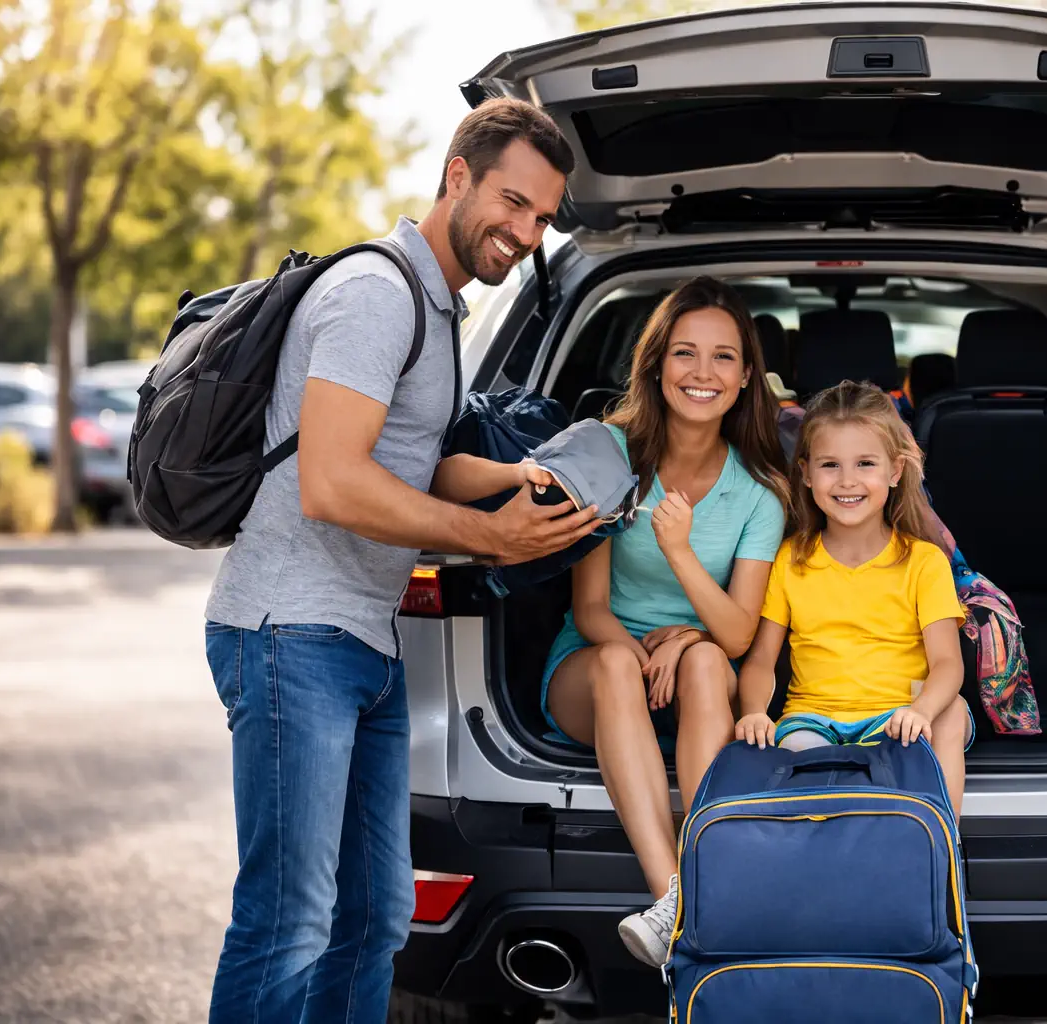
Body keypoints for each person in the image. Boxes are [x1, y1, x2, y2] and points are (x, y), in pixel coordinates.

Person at [200, 98, 599, 1024]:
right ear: (455, 175)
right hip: (290, 633)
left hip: (362, 643)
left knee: (372, 917)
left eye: (542, 218)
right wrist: (493, 537)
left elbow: (406, 457)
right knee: (288, 921)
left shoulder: (436, 304)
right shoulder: (376, 295)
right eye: (513, 202)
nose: (526, 232)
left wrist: (520, 475)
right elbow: (332, 484)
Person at [541, 277, 790, 967]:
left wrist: (681, 563)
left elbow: (739, 634)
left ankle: (689, 889)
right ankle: (677, 897)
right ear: (655, 365)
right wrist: (645, 652)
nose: (702, 373)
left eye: (722, 358)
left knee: (710, 659)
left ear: (746, 379)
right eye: (684, 353)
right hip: (598, 666)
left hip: (699, 673)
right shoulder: (609, 455)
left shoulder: (759, 492)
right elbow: (590, 607)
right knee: (622, 663)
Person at [734, 381, 974, 818]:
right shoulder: (791, 559)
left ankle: (939, 843)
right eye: (830, 465)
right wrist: (753, 712)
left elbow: (946, 664)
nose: (847, 481)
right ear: (806, 473)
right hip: (813, 718)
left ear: (895, 471)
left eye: (865, 463)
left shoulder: (924, 562)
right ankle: (826, 838)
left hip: (900, 718)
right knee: (804, 771)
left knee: (951, 711)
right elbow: (761, 661)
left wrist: (920, 711)